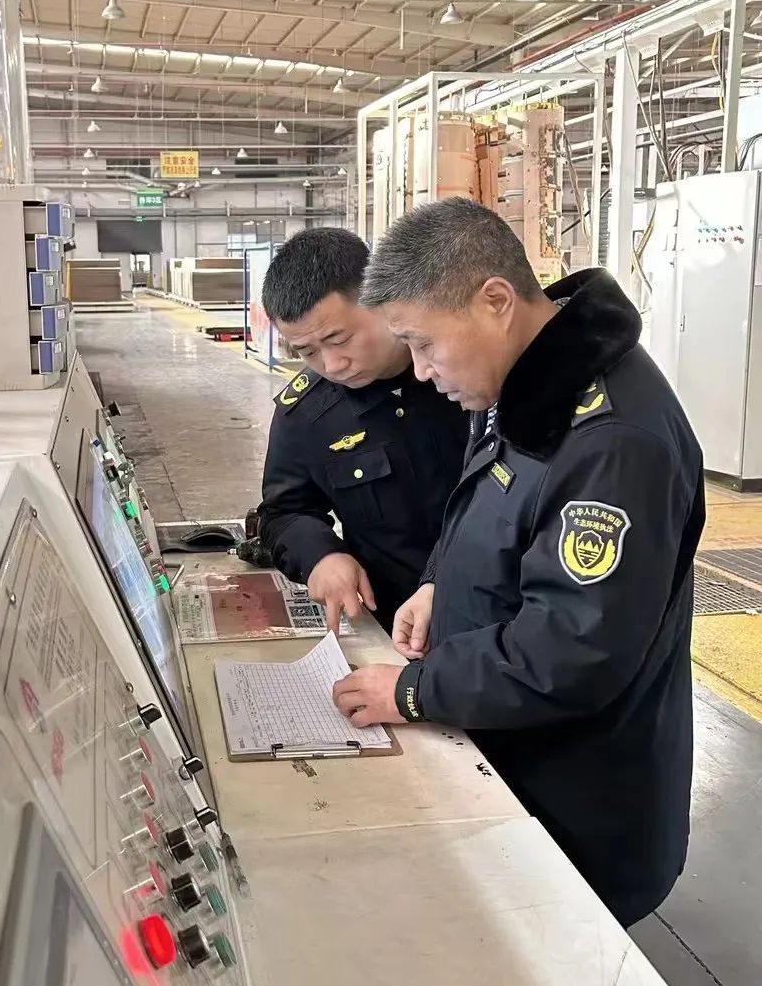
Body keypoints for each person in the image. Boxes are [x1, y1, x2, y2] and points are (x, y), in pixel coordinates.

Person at [332, 197, 704, 927]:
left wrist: (414, 690)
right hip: (507, 755)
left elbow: (572, 651)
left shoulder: (613, 442)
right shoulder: (525, 381)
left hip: (576, 805)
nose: (420, 370)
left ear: (495, 301)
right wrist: (439, 584)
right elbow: (492, 505)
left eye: (424, 343)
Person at [256, 227, 468, 634]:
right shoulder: (306, 414)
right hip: (396, 630)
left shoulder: (467, 376)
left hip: (501, 622)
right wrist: (321, 555)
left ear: (379, 298)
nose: (332, 365)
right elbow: (284, 512)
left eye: (339, 339)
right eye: (308, 352)